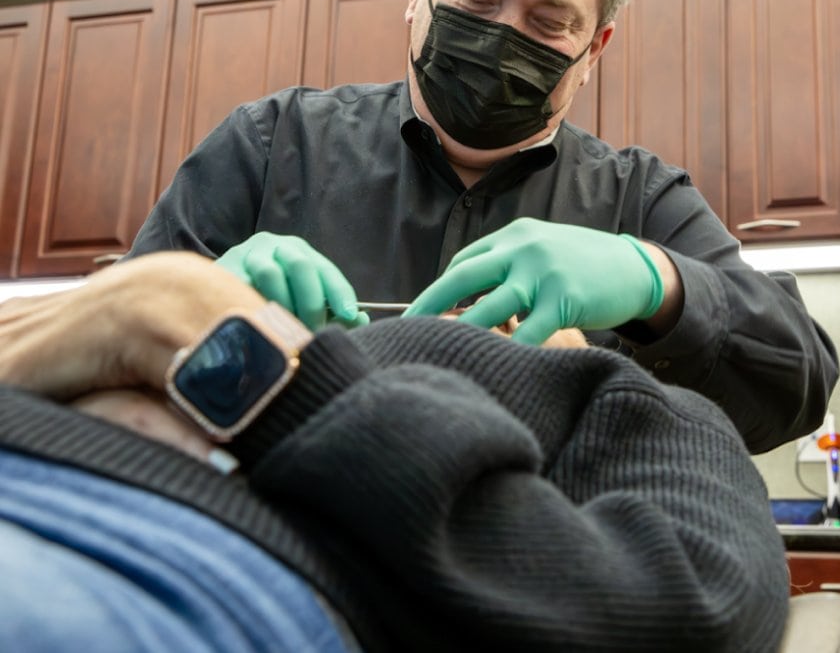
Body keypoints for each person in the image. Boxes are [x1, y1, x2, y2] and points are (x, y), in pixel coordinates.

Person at [126, 0, 837, 453]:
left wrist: (657, 281)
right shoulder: (270, 144)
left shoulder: (639, 200)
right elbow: (92, 355)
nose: (503, 35)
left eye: (550, 20)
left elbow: (798, 383)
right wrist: (193, 299)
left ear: (594, 49)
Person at [0, 252, 791, 652]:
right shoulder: (281, 340)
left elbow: (689, 612)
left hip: (133, 550)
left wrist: (229, 350)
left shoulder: (633, 404)